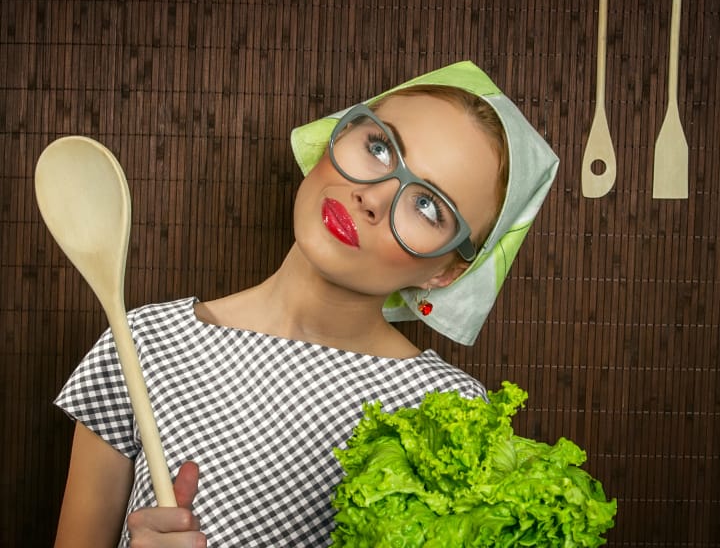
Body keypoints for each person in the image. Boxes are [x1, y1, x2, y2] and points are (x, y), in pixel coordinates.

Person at [53, 61, 558, 547]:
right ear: (336, 136)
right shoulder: (144, 342)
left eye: (428, 206)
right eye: (380, 148)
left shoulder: (453, 413)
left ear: (447, 271)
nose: (373, 197)